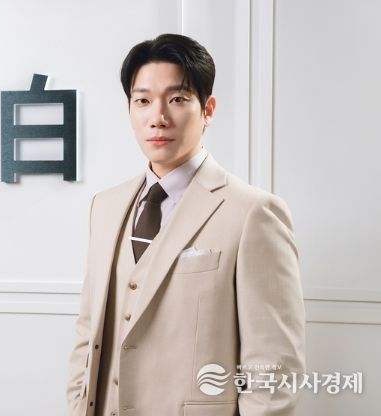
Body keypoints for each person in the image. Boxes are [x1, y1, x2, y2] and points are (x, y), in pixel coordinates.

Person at [66, 33, 305, 416]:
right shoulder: (105, 206)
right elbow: (88, 330)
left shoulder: (253, 213)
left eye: (177, 99)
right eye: (143, 101)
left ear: (208, 109)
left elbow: (272, 369)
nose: (157, 117)